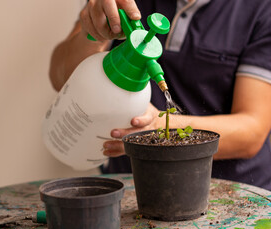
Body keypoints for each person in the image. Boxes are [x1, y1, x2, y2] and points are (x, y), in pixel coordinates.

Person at [49, 0, 271, 190]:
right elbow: (62, 79)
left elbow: (251, 132)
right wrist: (93, 33)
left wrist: (156, 126)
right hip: (129, 188)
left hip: (228, 194)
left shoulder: (262, 10)